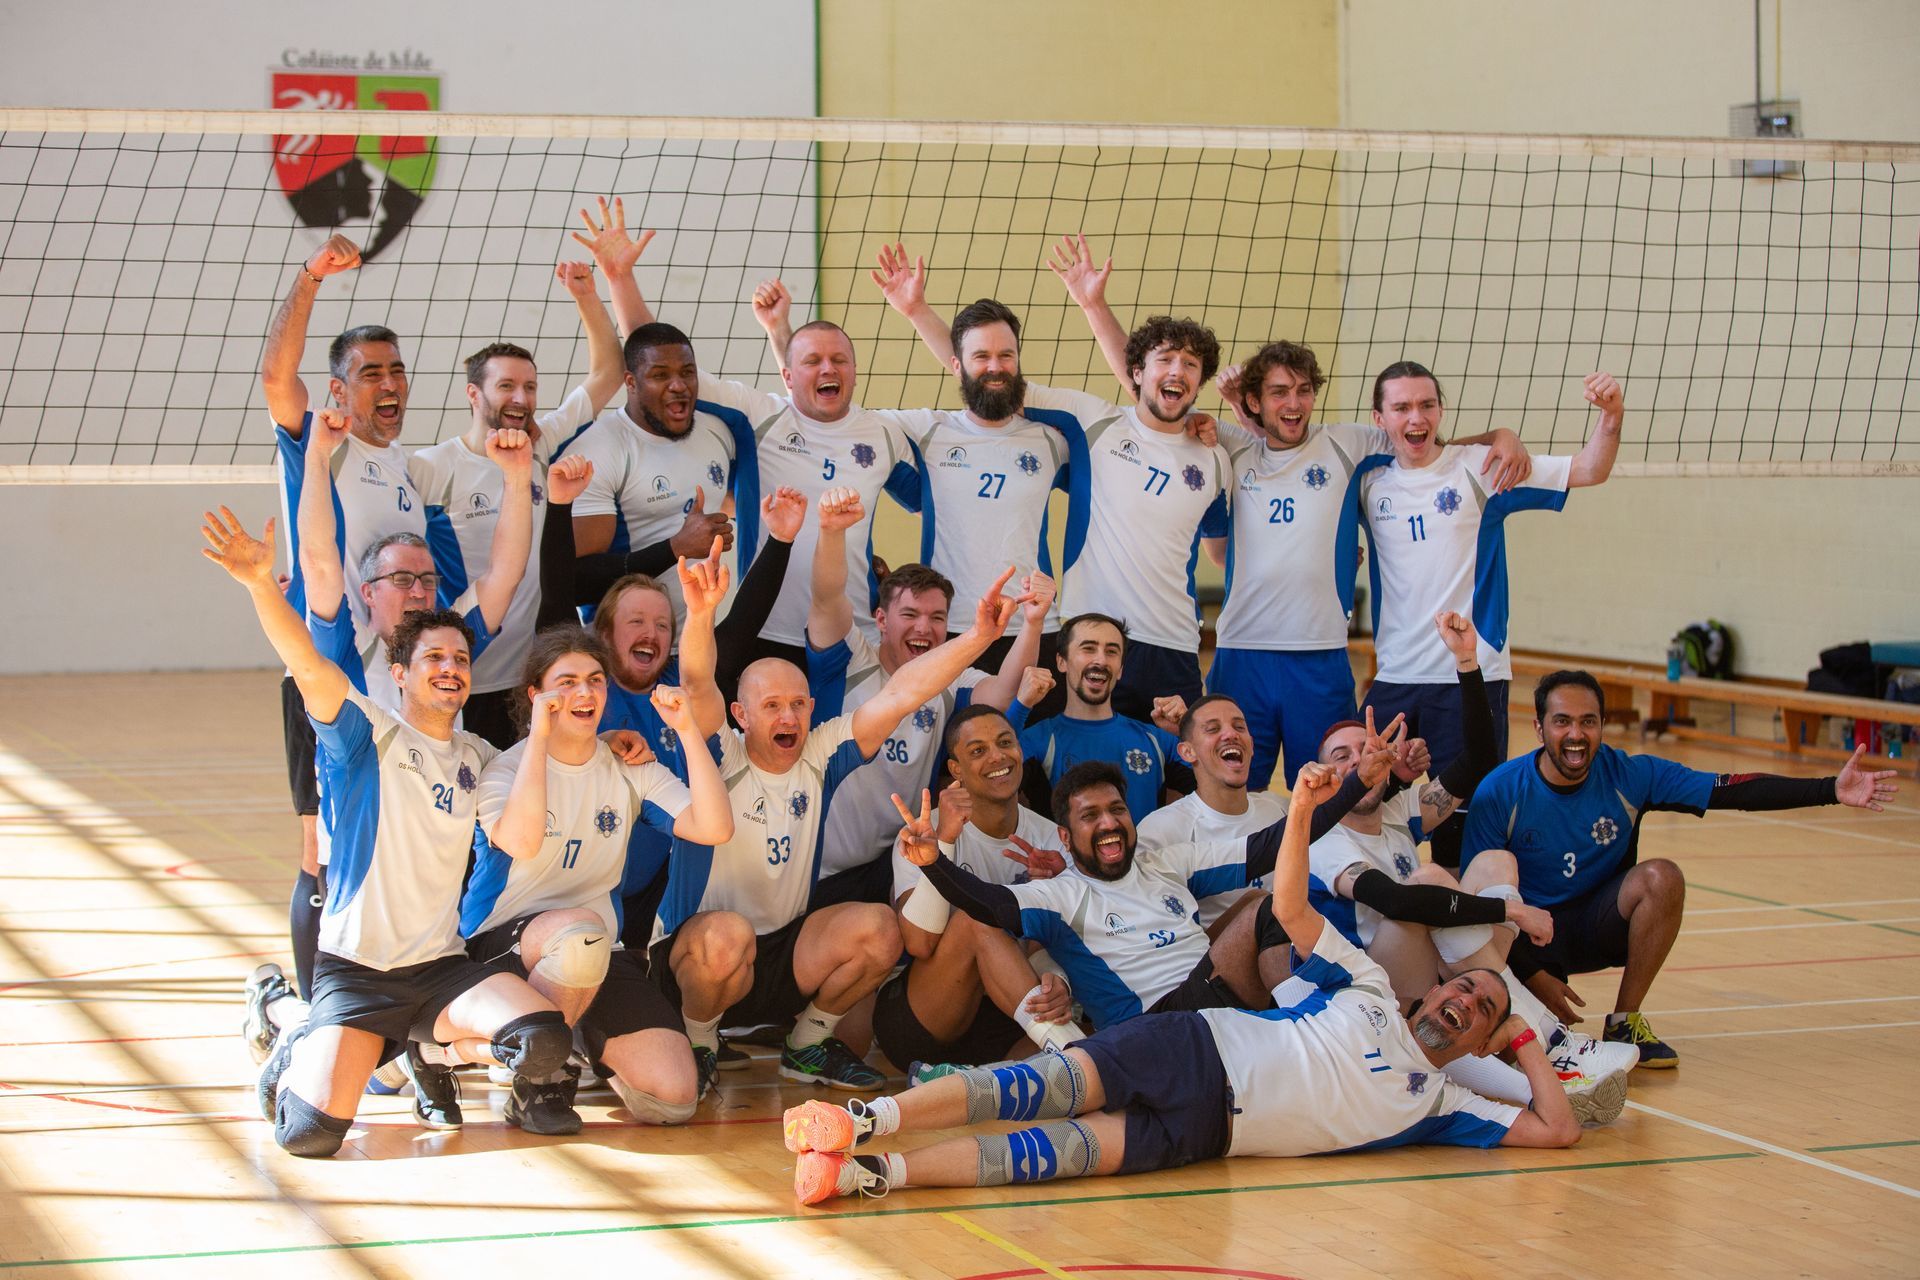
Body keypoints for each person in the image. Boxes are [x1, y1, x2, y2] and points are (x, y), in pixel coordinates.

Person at [782, 760, 1581, 1205]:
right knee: (1024, 1092)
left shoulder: (1441, 1105)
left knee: (1048, 1156)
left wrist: (1523, 1040)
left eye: (1479, 1010)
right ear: (1427, 991)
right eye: (1463, 989)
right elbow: (1289, 897)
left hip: (1210, 1135)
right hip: (1190, 1042)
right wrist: (1309, 805)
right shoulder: (1370, 987)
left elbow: (1556, 1133)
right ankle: (866, 1117)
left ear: (1483, 1038)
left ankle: (869, 1172)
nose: (1461, 998)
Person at [203, 508, 572, 1159]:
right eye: (433, 657)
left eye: (460, 658)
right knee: (308, 1136)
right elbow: (307, 665)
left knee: (542, 1038)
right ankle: (289, 1016)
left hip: (438, 972)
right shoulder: (364, 734)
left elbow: (528, 829)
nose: (450, 667)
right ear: (400, 674)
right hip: (357, 974)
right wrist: (261, 583)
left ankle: (423, 1044)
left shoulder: (481, 758)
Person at [646, 559, 1032, 1094]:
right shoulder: (721, 752)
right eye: (772, 706)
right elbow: (695, 681)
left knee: (879, 928)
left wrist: (980, 636)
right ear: (741, 714)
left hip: (781, 952)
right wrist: (699, 614)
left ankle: (805, 1044)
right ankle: (700, 1039)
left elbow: (903, 693)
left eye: (800, 705)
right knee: (728, 935)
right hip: (699, 953)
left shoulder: (823, 752)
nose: (789, 718)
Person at [1463, 669, 1901, 1068]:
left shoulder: (1631, 774)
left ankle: (1624, 1022)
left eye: (1588, 722)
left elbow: (1731, 790)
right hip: (1527, 938)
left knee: (1662, 877)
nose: (1576, 735)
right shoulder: (1502, 791)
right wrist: (1533, 974)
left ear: (1602, 725)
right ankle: (1521, 1009)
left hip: (1597, 925)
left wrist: (1829, 790)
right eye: (1562, 722)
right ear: (1539, 727)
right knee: (1522, 1048)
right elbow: (1475, 904)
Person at [1307, 614, 1639, 1108]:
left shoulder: (1400, 810)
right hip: (1371, 989)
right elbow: (1397, 898)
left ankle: (1537, 1052)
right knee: (1426, 882)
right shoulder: (1322, 835)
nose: (1357, 760)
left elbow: (1479, 759)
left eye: (1367, 748)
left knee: (1494, 861)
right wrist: (1511, 914)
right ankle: (1552, 1045)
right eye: (1340, 756)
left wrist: (1467, 662)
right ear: (1325, 773)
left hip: (1440, 967)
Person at [892, 236, 1232, 719]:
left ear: (1201, 381)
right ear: (1138, 371)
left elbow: (1225, 540)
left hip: (1175, 641)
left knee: (1167, 770)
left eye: (1190, 366)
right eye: (1164, 361)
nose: (1176, 372)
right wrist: (917, 311)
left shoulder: (1218, 453)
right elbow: (986, 371)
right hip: (1085, 632)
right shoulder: (1092, 423)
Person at [576, 199, 918, 663]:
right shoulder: (758, 416)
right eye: (813, 361)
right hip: (763, 627)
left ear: (856, 370)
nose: (828, 368)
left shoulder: (886, 432)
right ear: (788, 375)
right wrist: (620, 278)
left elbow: (932, 490)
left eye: (839, 360)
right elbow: (659, 358)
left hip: (850, 628)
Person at [883, 727, 1395, 1035]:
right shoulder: (1058, 895)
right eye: (1090, 817)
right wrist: (932, 860)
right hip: (1156, 1027)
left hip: (1217, 1004)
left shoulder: (1167, 862)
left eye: (1117, 810)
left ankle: (1305, 1028)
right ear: (1065, 835)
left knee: (1262, 895)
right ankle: (1305, 1029)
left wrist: (1356, 786)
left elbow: (1274, 844)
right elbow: (988, 906)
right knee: (1266, 909)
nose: (1108, 823)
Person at [1204, 345, 1530, 788]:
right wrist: (1092, 305)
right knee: (1232, 790)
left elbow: (1423, 442)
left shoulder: (1349, 442)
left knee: (1334, 793)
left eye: (1303, 391)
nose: (1294, 403)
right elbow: (1151, 394)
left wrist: (1500, 435)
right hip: (1241, 652)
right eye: (1279, 392)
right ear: (1254, 402)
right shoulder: (1234, 445)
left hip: (1320, 656)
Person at [460, 628, 734, 1133]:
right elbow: (520, 842)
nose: (584, 693)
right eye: (566, 682)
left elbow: (714, 826)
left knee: (673, 1098)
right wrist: (540, 741)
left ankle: (567, 1038)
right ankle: (537, 1080)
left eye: (594, 680)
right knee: (582, 933)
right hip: (501, 950)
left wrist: (689, 730)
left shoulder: (629, 769)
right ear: (535, 695)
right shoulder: (504, 770)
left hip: (591, 953)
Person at [1359, 360, 1624, 867]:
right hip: (1394, 678)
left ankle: (1461, 936)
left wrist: (1610, 415)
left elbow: (1591, 469)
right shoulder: (1370, 482)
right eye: (1402, 407)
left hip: (1470, 675)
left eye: (1427, 405)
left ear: (1440, 410)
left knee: (1462, 833)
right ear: (1380, 418)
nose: (1416, 417)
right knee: (1369, 815)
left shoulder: (1479, 468)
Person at [259, 233, 422, 1002]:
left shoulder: (405, 469)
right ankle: (309, 1006)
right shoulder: (317, 445)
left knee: (383, 839)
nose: (388, 383)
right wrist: (309, 278)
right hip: (324, 674)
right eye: (369, 373)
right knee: (316, 852)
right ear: (338, 391)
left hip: (390, 684)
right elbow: (275, 376)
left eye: (395, 369)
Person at [805, 484, 1054, 906]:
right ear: (881, 619)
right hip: (821, 864)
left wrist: (1032, 622)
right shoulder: (846, 659)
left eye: (937, 617)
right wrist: (831, 532)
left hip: (899, 857)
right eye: (910, 615)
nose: (924, 628)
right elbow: (827, 597)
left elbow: (1000, 693)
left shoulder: (946, 676)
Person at [407, 266, 624, 746]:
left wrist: (587, 295)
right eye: (506, 386)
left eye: (529, 387)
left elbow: (609, 373)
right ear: (473, 393)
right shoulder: (433, 468)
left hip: (532, 674)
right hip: (470, 675)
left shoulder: (539, 445)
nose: (521, 399)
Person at [864, 247, 1091, 687]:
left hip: (1032, 627)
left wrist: (1194, 427)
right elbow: (832, 417)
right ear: (957, 366)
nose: (995, 367)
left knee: (1027, 753)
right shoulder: (927, 431)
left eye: (1006, 356)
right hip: (948, 629)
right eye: (981, 356)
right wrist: (781, 340)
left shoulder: (1052, 438)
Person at [874, 704, 1084, 1076]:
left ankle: (974, 1080)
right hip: (926, 1017)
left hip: (1005, 1015)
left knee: (1052, 1065)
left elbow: (1048, 942)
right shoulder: (924, 829)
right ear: (956, 770)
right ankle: (1076, 1053)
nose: (997, 756)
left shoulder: (1051, 837)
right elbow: (919, 943)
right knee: (978, 920)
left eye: (1006, 743)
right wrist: (945, 845)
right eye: (978, 751)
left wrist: (1058, 980)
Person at [561, 314, 751, 627]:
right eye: (660, 375)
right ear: (631, 383)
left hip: (696, 644)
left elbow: (731, 499)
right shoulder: (599, 451)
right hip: (619, 653)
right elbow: (575, 583)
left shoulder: (717, 432)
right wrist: (676, 547)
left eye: (687, 372)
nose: (678, 386)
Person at [1135, 693, 1285, 934]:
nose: (1231, 734)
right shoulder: (1161, 829)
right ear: (1187, 752)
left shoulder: (1278, 808)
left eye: (1239, 727)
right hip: (1208, 962)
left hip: (1284, 951)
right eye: (1213, 729)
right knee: (1261, 905)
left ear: (1252, 744)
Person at [1018, 613, 1191, 823]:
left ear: (1120, 670)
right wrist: (1021, 705)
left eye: (1111, 652)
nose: (1100, 660)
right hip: (1065, 856)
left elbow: (1215, 784)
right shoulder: (1039, 739)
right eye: (1088, 648)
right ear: (1061, 661)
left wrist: (1186, 731)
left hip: (1146, 856)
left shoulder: (1156, 739)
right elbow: (993, 776)